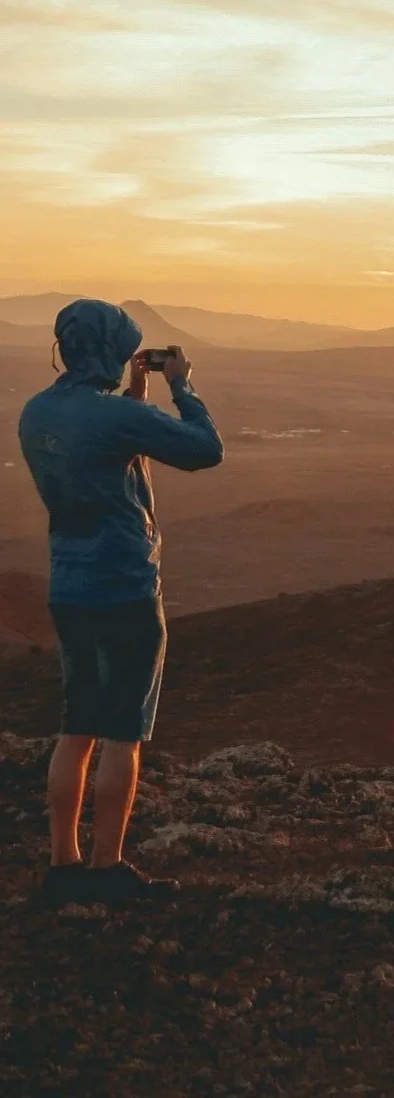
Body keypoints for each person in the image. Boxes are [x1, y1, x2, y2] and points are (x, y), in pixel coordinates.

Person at [19, 300, 224, 906]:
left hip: (70, 586)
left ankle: (63, 864)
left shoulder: (39, 412)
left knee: (76, 725)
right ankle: (107, 867)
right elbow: (203, 450)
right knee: (121, 733)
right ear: (111, 348)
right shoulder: (110, 418)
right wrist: (182, 387)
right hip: (126, 588)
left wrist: (132, 393)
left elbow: (101, 444)